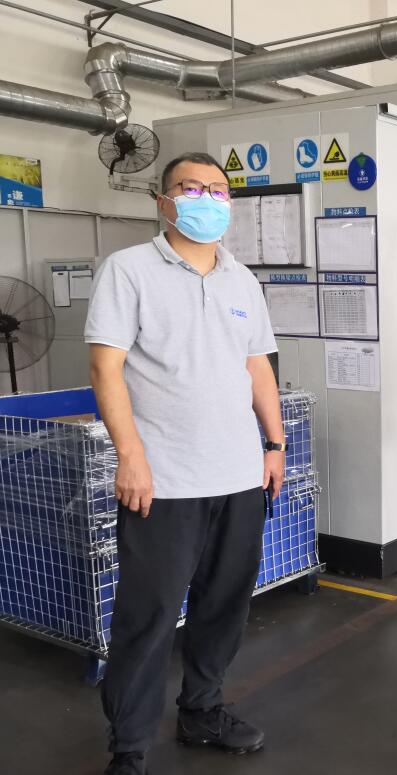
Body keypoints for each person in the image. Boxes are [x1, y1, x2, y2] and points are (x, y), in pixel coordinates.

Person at [86, 152, 284, 775]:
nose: (207, 199)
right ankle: (130, 746)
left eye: (218, 190)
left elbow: (257, 367)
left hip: (239, 476)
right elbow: (105, 368)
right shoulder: (128, 270)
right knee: (148, 617)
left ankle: (202, 710)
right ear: (164, 200)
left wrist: (274, 445)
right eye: (191, 188)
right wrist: (131, 457)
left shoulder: (241, 279)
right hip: (163, 481)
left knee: (223, 607)